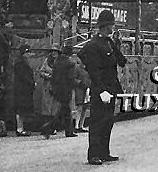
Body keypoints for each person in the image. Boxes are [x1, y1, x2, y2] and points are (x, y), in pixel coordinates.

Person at [78, 10, 127, 165]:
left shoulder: (108, 42)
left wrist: (116, 43)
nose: (113, 27)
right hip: (101, 90)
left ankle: (104, 152)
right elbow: (94, 70)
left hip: (111, 88)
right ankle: (93, 154)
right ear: (107, 26)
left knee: (108, 122)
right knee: (97, 122)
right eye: (112, 25)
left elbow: (122, 60)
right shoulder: (93, 45)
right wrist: (101, 90)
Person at [42, 45, 77, 139]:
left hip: (58, 90)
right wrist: (74, 86)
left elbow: (54, 77)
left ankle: (68, 131)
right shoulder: (69, 63)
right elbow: (71, 78)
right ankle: (48, 127)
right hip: (66, 90)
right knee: (64, 111)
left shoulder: (57, 62)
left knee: (65, 111)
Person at [13, 44, 35, 136]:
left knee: (21, 109)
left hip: (22, 88)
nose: (30, 54)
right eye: (28, 52)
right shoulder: (21, 63)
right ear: (25, 53)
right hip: (22, 89)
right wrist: (32, 83)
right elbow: (24, 76)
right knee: (21, 109)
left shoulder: (20, 61)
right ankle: (19, 128)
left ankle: (20, 128)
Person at [71, 53, 91, 133]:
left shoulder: (89, 69)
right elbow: (74, 79)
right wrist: (80, 83)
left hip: (87, 90)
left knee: (85, 108)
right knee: (79, 108)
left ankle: (81, 125)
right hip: (80, 89)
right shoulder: (77, 68)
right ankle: (76, 125)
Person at [38, 44, 60, 119]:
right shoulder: (47, 61)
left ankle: (55, 125)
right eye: (52, 51)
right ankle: (47, 124)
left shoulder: (61, 61)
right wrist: (47, 75)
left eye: (55, 51)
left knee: (56, 106)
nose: (53, 53)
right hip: (47, 86)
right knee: (47, 106)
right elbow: (41, 72)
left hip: (57, 86)